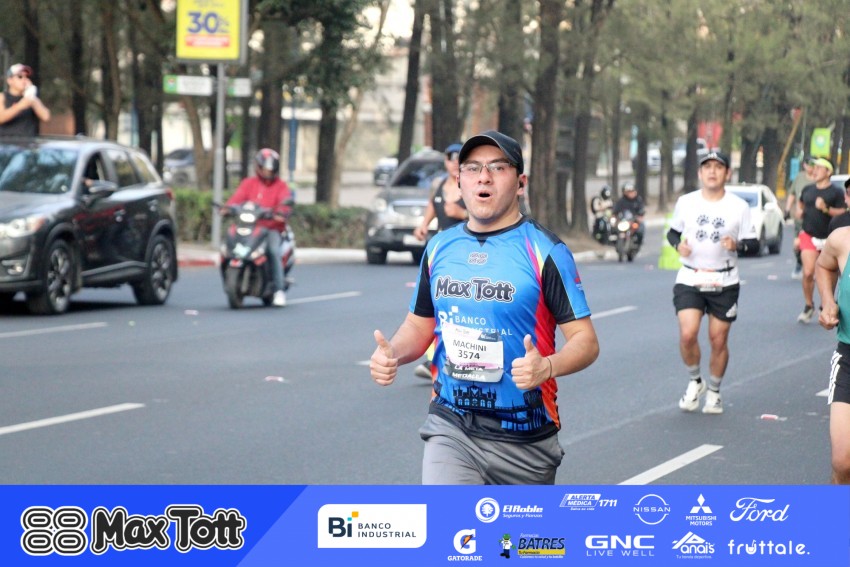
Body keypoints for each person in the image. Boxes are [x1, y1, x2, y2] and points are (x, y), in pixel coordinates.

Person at [369, 130, 600, 485]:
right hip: (452, 426)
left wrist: (547, 367)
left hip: (526, 438)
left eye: (498, 167)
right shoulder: (439, 247)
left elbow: (586, 341)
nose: (484, 177)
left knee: (518, 526)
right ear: (459, 181)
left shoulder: (546, 252)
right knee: (450, 519)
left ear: (520, 183)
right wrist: (393, 354)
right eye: (473, 168)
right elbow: (419, 325)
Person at [666, 151, 759, 414]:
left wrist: (736, 245)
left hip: (724, 279)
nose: (712, 171)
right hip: (690, 276)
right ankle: (696, 380)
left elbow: (753, 244)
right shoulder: (686, 202)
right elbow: (673, 233)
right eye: (707, 167)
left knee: (718, 339)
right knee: (687, 334)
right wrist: (678, 246)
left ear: (727, 173)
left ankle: (715, 391)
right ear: (700, 173)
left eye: (718, 167)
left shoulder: (738, 207)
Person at [412, 142, 467, 380]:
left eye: (459, 159)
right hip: (441, 253)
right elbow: (431, 205)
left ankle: (457, 357)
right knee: (434, 306)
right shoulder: (439, 184)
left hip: (465, 254)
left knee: (459, 307)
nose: (454, 163)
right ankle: (434, 358)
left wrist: (462, 214)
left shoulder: (471, 186)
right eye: (450, 159)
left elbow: (488, 216)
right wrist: (423, 225)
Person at [223, 148, 293, 307]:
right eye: (264, 168)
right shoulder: (249, 183)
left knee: (273, 251)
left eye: (270, 169)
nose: (267, 172)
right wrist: (227, 208)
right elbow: (237, 198)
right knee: (230, 241)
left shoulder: (281, 186)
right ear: (258, 167)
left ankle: (279, 290)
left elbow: (285, 203)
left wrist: (281, 213)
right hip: (250, 226)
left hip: (271, 229)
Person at [814, 226, 850, 484]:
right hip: (849, 356)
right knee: (842, 461)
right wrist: (828, 302)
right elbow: (823, 266)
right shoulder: (842, 239)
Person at [795, 157, 845, 323]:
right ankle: (808, 305)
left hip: (829, 238)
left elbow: (843, 212)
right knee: (808, 272)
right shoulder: (808, 189)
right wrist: (798, 211)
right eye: (814, 167)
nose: (814, 170)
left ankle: (827, 304)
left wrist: (826, 208)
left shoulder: (836, 192)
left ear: (828, 171)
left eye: (819, 168)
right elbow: (800, 204)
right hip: (809, 235)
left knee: (829, 273)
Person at [0, 63, 51, 136]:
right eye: (20, 76)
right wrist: (20, 106)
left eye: (27, 77)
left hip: (28, 141)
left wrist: (31, 96)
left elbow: (46, 117)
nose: (24, 79)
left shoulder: (31, 99)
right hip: (7, 141)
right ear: (10, 80)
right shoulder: (2, 96)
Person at [786, 157, 815, 279]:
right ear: (804, 165)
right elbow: (792, 194)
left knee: (815, 244)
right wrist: (787, 209)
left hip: (816, 218)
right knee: (797, 244)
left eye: (813, 164)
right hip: (800, 219)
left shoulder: (818, 178)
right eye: (809, 164)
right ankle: (799, 262)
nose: (811, 167)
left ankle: (813, 267)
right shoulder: (799, 178)